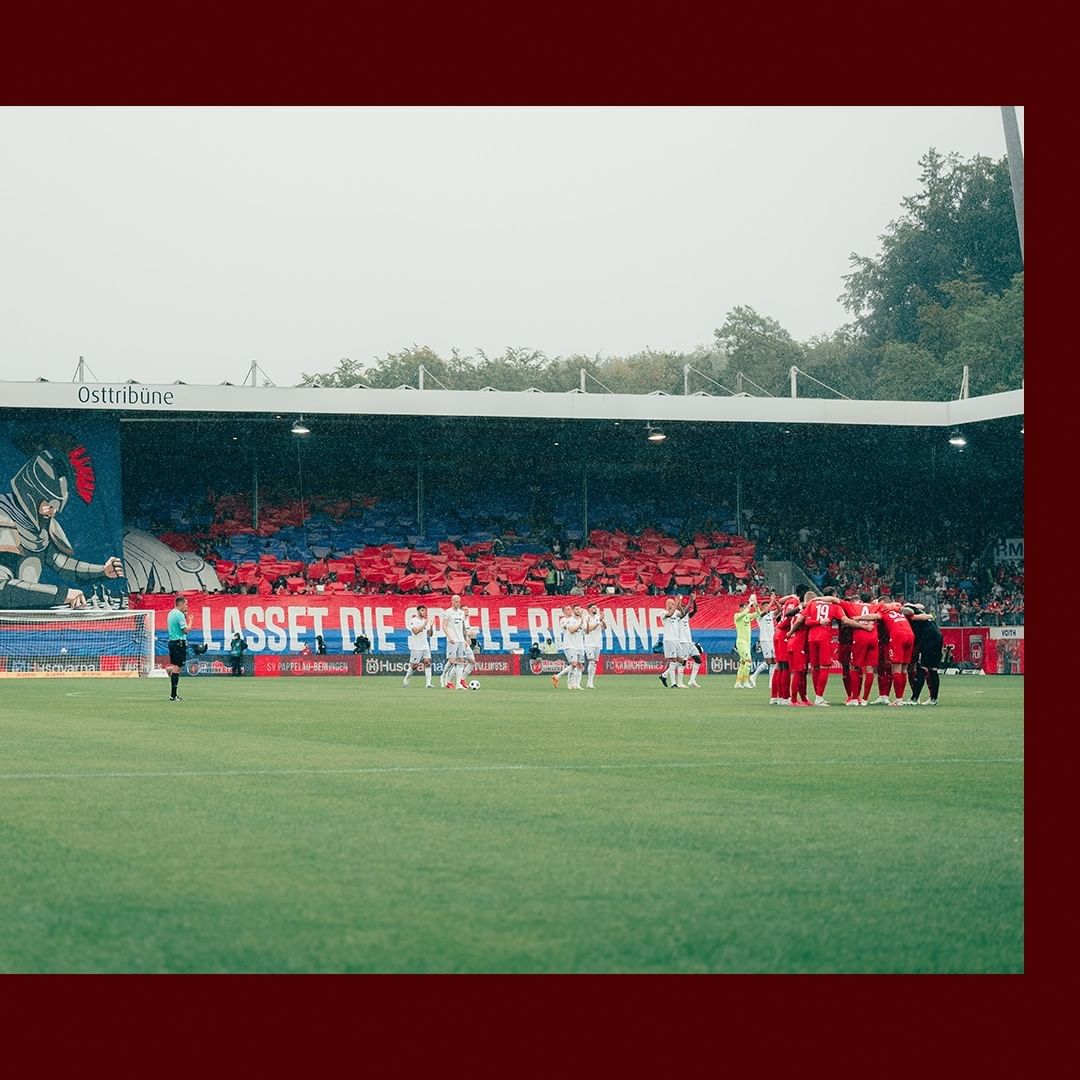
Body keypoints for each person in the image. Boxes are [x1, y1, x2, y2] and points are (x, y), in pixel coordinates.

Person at [0, 442, 125, 609]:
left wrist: (102, 571)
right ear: (31, 492)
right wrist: (62, 594)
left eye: (55, 506)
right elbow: (2, 589)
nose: (52, 512)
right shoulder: (3, 518)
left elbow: (63, 565)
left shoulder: (40, 528)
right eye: (49, 505)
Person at [904, 603, 943, 705]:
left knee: (922, 668)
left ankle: (914, 698)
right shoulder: (920, 611)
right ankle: (933, 699)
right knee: (933, 669)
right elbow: (921, 606)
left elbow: (910, 611)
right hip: (937, 635)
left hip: (928, 637)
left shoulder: (909, 613)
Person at [442, 593, 471, 690]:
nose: (458, 603)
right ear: (452, 601)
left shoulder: (461, 613)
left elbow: (463, 627)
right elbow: (444, 625)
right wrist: (449, 637)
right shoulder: (448, 612)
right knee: (451, 661)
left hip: (461, 640)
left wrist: (466, 638)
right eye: (456, 601)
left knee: (461, 661)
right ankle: (443, 676)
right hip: (452, 640)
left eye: (459, 601)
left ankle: (458, 684)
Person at [166, 595, 190, 701]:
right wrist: (191, 620)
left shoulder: (171, 613)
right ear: (180, 604)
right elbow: (186, 630)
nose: (187, 606)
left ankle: (169, 670)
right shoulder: (179, 615)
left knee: (177, 666)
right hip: (178, 643)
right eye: (185, 604)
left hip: (173, 642)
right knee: (177, 668)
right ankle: (173, 695)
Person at [732, 596, 759, 689]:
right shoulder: (737, 616)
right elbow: (743, 613)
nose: (745, 609)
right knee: (748, 661)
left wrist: (755, 605)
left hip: (747, 643)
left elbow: (758, 614)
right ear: (740, 608)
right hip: (741, 642)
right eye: (743, 607)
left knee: (743, 662)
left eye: (745, 607)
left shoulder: (748, 616)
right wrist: (749, 605)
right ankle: (746, 682)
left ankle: (738, 683)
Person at [404, 604, 434, 688]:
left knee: (427, 662)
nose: (424, 612)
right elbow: (415, 631)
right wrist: (424, 624)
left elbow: (430, 634)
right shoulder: (414, 620)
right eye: (422, 610)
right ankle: (406, 678)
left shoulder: (426, 622)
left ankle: (428, 683)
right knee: (414, 666)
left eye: (425, 610)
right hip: (416, 646)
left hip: (425, 645)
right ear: (418, 611)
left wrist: (431, 626)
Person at [660, 597, 684, 689]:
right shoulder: (663, 613)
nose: (674, 605)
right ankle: (673, 683)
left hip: (676, 639)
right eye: (672, 603)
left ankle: (664, 675)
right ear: (668, 604)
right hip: (669, 639)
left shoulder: (676, 612)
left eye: (674, 603)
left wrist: (680, 605)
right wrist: (676, 606)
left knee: (682, 661)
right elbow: (669, 614)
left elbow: (682, 614)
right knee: (673, 660)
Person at [583, 602, 606, 689]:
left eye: (596, 608)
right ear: (589, 609)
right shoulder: (586, 618)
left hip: (598, 643)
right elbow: (588, 630)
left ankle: (591, 682)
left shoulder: (598, 617)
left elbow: (605, 627)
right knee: (591, 661)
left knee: (595, 663)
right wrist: (598, 622)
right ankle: (589, 682)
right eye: (593, 608)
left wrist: (602, 620)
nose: (595, 609)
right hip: (589, 643)